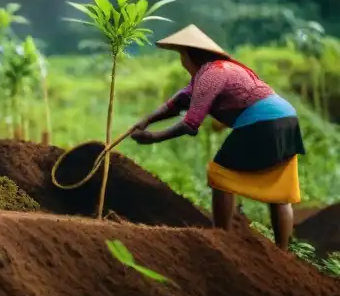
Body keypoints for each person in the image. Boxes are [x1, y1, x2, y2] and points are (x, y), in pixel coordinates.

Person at [130, 24, 304, 248]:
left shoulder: (211, 74)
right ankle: (283, 252)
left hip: (261, 121)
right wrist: (146, 120)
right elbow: (176, 103)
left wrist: (154, 137)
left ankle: (222, 238)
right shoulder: (218, 71)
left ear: (191, 55)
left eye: (182, 55)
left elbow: (190, 124)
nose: (182, 62)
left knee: (220, 174)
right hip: (288, 118)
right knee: (279, 192)